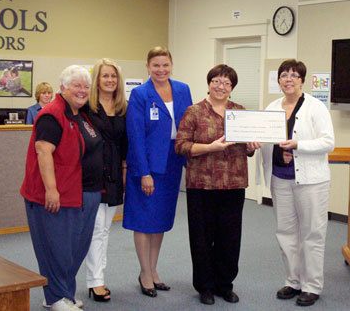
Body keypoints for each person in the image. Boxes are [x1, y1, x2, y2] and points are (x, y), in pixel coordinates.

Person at [20, 65, 104, 311]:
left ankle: (64, 293)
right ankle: (55, 298)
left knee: (75, 249)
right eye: (76, 85)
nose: (82, 90)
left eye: (86, 86)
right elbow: (43, 151)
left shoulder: (81, 114)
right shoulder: (52, 114)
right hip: (55, 194)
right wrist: (51, 189)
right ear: (63, 87)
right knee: (56, 250)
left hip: (82, 192)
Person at [175, 64, 260, 305]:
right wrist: (210, 147)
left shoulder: (241, 112)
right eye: (216, 81)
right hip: (201, 185)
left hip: (233, 184)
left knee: (230, 238)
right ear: (209, 83)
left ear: (232, 88)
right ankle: (205, 286)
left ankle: (225, 284)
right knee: (202, 237)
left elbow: (246, 148)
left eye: (226, 83)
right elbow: (181, 146)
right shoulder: (194, 112)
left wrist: (251, 146)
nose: (220, 86)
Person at [260, 59, 334, 307]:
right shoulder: (271, 107)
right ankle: (293, 281)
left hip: (311, 181)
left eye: (294, 75)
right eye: (284, 75)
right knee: (286, 233)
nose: (288, 79)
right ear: (278, 80)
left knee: (312, 233)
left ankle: (312, 286)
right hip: (280, 179)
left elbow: (328, 142)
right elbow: (264, 138)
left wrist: (298, 145)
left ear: (302, 79)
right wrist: (253, 141)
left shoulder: (316, 107)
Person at [123, 46, 192, 297]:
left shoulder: (183, 89)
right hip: (147, 166)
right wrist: (143, 172)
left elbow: (190, 125)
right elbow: (135, 135)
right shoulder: (140, 94)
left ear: (171, 65)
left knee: (160, 219)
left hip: (172, 163)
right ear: (148, 67)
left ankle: (153, 270)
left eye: (165, 65)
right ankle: (144, 272)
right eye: (156, 65)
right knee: (143, 220)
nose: (161, 70)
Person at [84, 58, 128, 302]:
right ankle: (95, 281)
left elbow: (125, 143)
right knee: (95, 229)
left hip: (114, 174)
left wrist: (124, 167)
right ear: (96, 80)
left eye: (113, 76)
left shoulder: (123, 107)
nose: (110, 80)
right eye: (105, 76)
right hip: (92, 173)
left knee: (104, 229)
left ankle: (97, 279)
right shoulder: (86, 107)